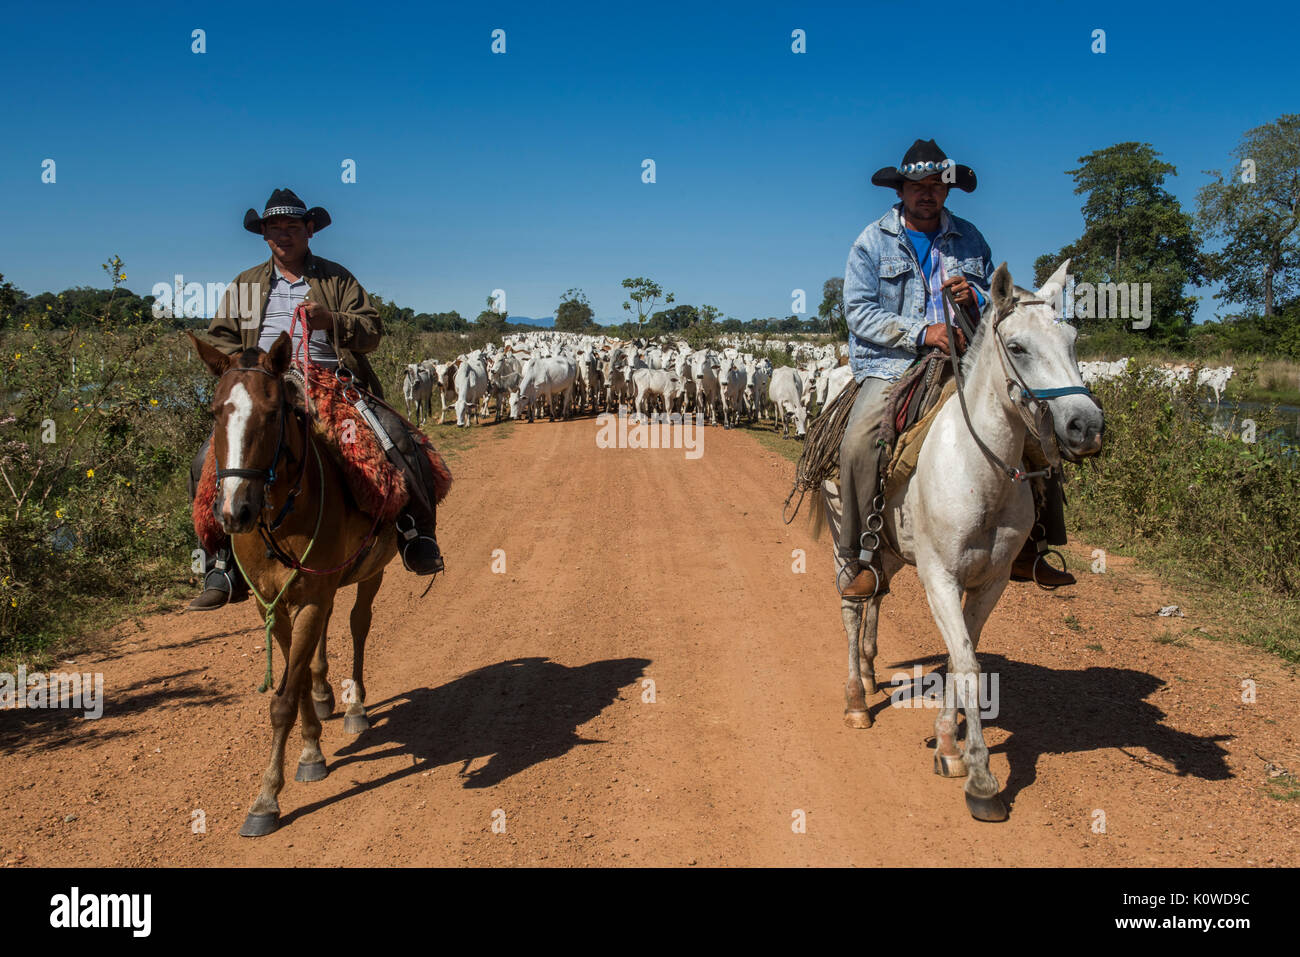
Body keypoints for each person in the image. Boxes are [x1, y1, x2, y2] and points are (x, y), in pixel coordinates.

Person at [838, 139, 1075, 599]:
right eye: (917, 186)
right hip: (891, 364)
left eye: (936, 186)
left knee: (1036, 432)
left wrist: (976, 299)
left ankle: (1036, 546)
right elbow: (858, 311)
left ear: (948, 191)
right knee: (858, 443)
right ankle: (860, 557)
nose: (927, 193)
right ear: (901, 190)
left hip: (966, 360)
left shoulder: (971, 239)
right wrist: (922, 333)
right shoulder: (871, 242)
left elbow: (998, 304)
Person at [187, 188, 444, 611]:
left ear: (309, 231)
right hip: (265, 384)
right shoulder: (246, 284)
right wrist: (250, 367)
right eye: (274, 229)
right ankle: (222, 563)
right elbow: (220, 339)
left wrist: (334, 320)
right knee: (206, 460)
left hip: (332, 382)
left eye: (292, 227)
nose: (283, 235)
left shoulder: (335, 279)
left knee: (398, 440)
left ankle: (416, 533)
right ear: (264, 235)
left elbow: (372, 331)